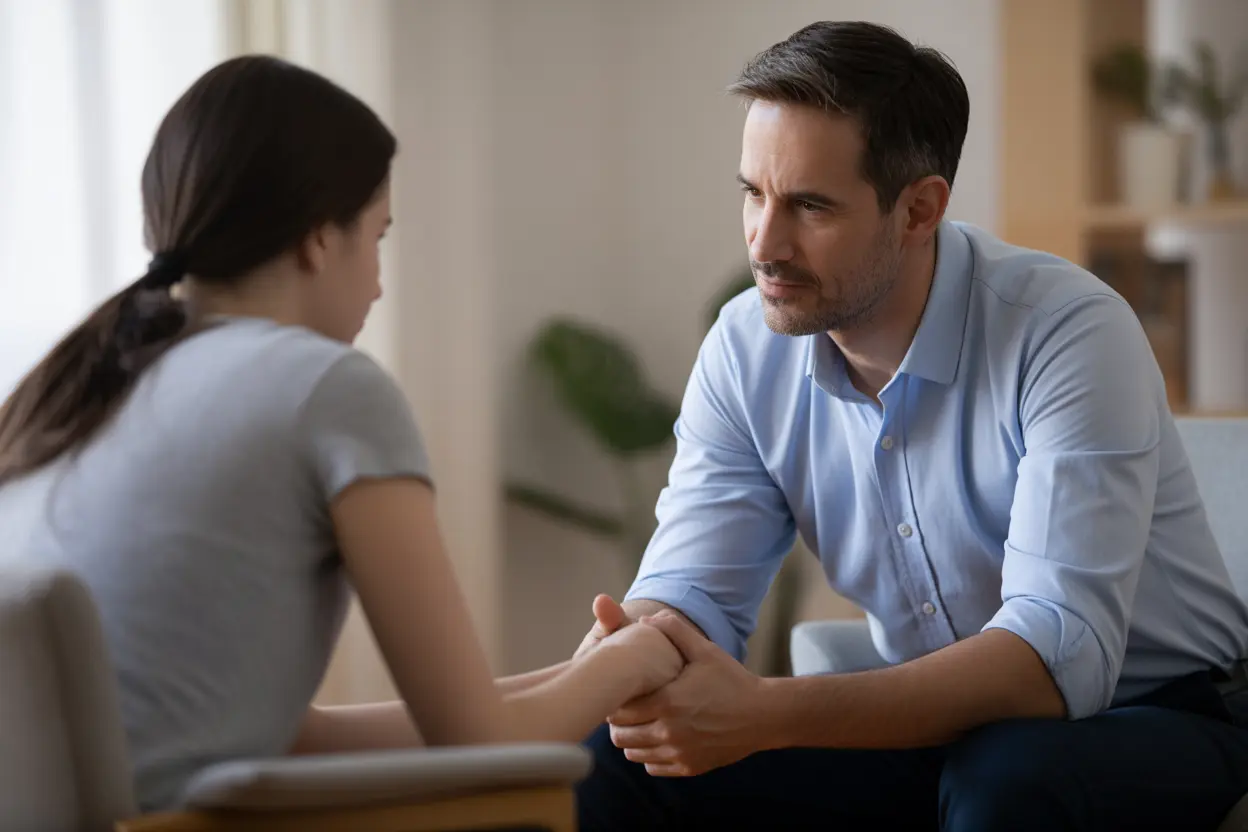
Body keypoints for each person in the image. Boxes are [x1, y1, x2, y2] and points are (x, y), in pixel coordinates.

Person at [572, 20, 1248, 832]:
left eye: (809, 206)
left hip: (1158, 714)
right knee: (610, 758)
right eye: (753, 192)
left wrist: (767, 711)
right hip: (935, 730)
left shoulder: (1067, 331)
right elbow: (689, 596)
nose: (764, 241)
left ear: (920, 208)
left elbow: (1050, 661)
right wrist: (631, 656)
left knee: (1006, 781)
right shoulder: (746, 348)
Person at [0, 55, 684, 813]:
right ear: (319, 239)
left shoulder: (89, 382)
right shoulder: (326, 387)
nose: (380, 281)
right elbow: (485, 749)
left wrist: (577, 673)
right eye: (378, 236)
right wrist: (641, 658)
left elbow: (298, 737)